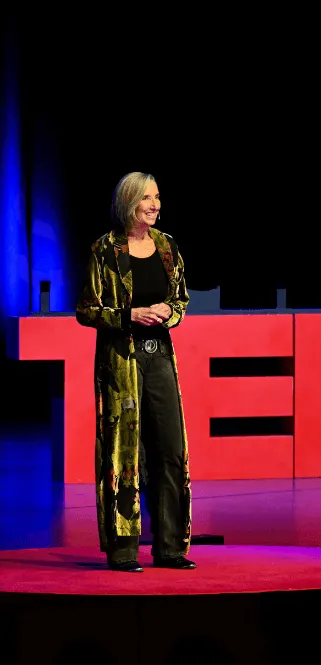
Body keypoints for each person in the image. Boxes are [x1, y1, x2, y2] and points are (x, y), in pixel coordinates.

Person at [76, 171, 195, 572]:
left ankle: (170, 548)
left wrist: (168, 312)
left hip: (159, 356)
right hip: (122, 362)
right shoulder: (104, 250)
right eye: (147, 197)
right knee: (124, 452)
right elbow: (87, 309)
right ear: (129, 202)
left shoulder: (167, 247)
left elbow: (181, 298)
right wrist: (129, 315)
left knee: (170, 450)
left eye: (158, 197)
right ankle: (124, 551)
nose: (155, 204)